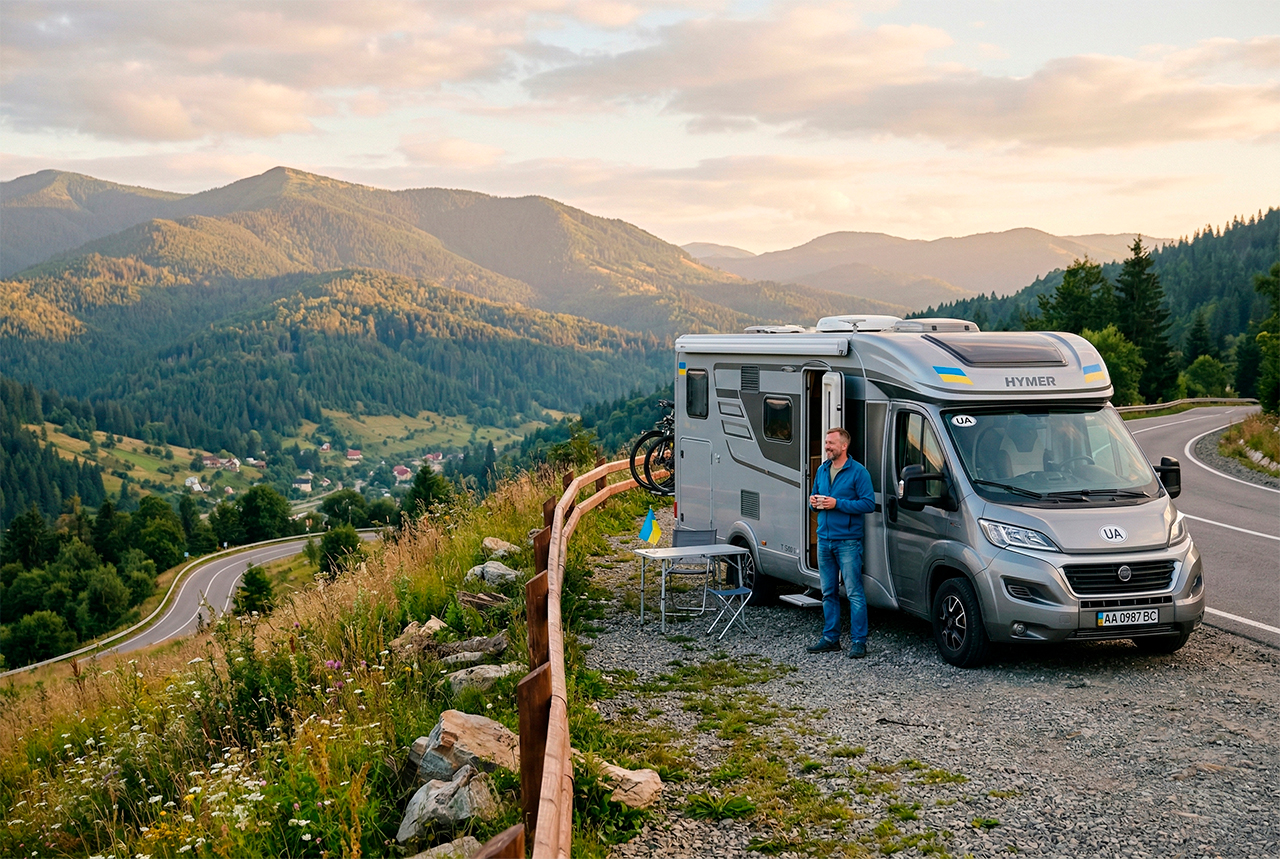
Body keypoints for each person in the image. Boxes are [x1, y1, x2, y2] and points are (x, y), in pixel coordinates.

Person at [806, 427, 876, 658]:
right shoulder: (822, 470)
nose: (826, 447)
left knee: (854, 593)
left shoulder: (858, 472)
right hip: (824, 540)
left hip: (848, 541)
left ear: (843, 446)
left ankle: (858, 641)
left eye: (831, 443)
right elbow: (814, 499)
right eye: (826, 442)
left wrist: (838, 504)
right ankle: (830, 638)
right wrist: (813, 501)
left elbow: (868, 504)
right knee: (828, 593)